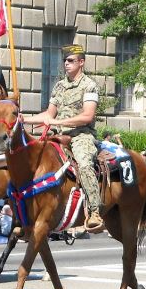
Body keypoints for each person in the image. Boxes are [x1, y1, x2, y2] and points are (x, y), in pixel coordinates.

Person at [24, 44, 104, 232]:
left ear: (81, 62)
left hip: (81, 136)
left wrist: (59, 121)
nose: (66, 64)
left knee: (84, 164)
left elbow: (87, 116)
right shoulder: (59, 86)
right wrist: (22, 119)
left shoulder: (89, 85)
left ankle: (94, 211)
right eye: (65, 61)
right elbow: (48, 115)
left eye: (70, 61)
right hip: (58, 136)